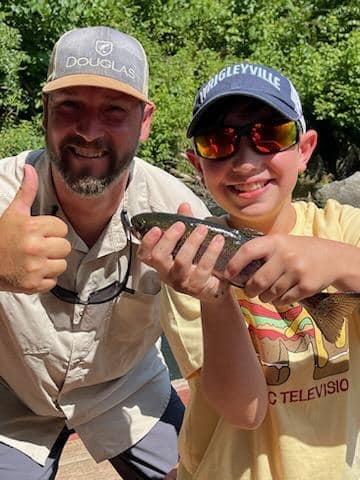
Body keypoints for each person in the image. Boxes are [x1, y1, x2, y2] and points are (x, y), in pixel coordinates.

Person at [0, 26, 212, 480]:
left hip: (128, 390)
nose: (90, 131)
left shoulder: (180, 211)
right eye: (71, 105)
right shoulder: (3, 194)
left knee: (207, 471)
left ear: (146, 120)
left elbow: (220, 343)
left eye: (114, 110)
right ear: (45, 112)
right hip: (11, 401)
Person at [137, 62, 360, 479]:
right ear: (197, 163)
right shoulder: (187, 264)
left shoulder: (344, 229)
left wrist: (337, 259)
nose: (244, 160)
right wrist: (215, 299)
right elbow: (245, 410)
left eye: (269, 135)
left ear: (305, 149)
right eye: (218, 142)